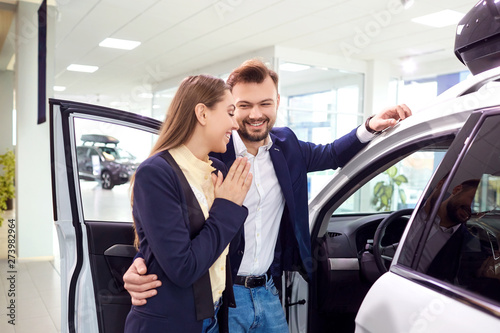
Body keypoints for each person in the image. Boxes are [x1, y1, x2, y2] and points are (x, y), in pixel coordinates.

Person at [124, 59, 412, 333]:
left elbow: (333, 153)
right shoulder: (207, 154)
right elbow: (171, 223)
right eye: (242, 106)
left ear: (277, 103)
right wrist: (142, 261)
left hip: (269, 290)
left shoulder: (287, 146)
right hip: (224, 296)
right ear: (231, 108)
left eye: (265, 103)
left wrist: (370, 126)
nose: (255, 114)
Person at [124, 74, 253, 333]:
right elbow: (183, 268)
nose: (235, 124)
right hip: (172, 323)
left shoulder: (216, 168)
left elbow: (223, 249)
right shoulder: (157, 173)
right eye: (229, 113)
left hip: (215, 315)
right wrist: (227, 206)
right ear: (202, 114)